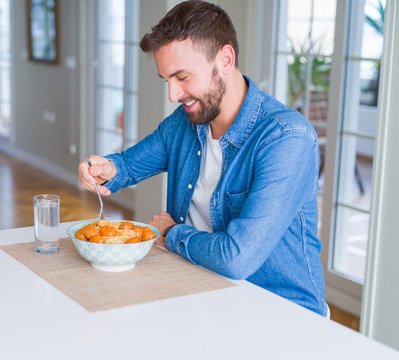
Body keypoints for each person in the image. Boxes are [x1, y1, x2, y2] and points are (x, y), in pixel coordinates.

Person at [78, 0, 327, 317]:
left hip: (279, 313)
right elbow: (125, 167)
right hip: (198, 290)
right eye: (166, 80)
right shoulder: (184, 122)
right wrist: (102, 169)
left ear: (225, 59)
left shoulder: (285, 138)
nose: (173, 95)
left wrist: (170, 234)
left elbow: (236, 258)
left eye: (182, 77)